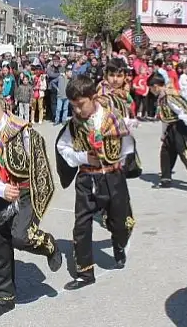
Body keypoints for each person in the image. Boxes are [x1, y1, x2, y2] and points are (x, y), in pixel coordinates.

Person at [0, 82, 62, 320]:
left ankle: (47, 244)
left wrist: (31, 197)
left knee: (21, 236)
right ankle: (3, 298)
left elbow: (39, 167)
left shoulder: (23, 131)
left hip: (24, 194)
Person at [55, 75, 137, 291]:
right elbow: (63, 148)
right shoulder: (73, 125)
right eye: (73, 105)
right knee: (81, 225)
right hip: (86, 178)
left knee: (119, 222)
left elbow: (127, 145)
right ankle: (84, 273)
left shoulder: (112, 118)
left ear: (93, 97)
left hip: (112, 176)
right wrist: (83, 157)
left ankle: (119, 244)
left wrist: (121, 164)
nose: (77, 110)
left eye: (81, 104)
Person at [149, 74, 187, 195]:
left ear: (155, 86)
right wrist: (163, 134)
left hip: (180, 128)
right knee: (166, 153)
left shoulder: (170, 97)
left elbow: (181, 113)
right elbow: (165, 119)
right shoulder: (161, 98)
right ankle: (166, 178)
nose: (150, 91)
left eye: (151, 88)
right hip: (170, 129)